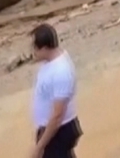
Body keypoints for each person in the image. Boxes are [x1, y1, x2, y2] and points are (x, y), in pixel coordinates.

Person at [30, 23, 82, 158]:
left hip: (58, 131)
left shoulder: (61, 72)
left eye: (35, 48)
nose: (33, 51)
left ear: (45, 48)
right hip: (53, 130)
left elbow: (58, 115)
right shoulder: (52, 60)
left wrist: (40, 146)